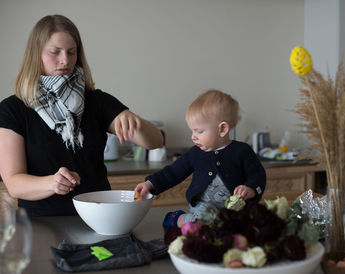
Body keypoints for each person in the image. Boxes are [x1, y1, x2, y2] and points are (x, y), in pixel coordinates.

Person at [0, 15, 163, 217]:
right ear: (36, 55)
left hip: (101, 219)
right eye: (55, 52)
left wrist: (134, 121)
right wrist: (51, 183)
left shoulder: (96, 101)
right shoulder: (12, 109)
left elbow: (155, 141)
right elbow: (14, 183)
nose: (65, 60)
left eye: (71, 52)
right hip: (43, 225)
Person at [135, 89, 266, 228]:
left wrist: (250, 189)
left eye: (199, 131)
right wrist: (150, 184)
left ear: (222, 129)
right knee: (202, 224)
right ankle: (177, 218)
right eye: (192, 131)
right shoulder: (195, 153)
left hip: (236, 209)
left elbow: (258, 175)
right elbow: (173, 172)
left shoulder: (243, 151)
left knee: (254, 224)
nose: (193, 136)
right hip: (203, 207)